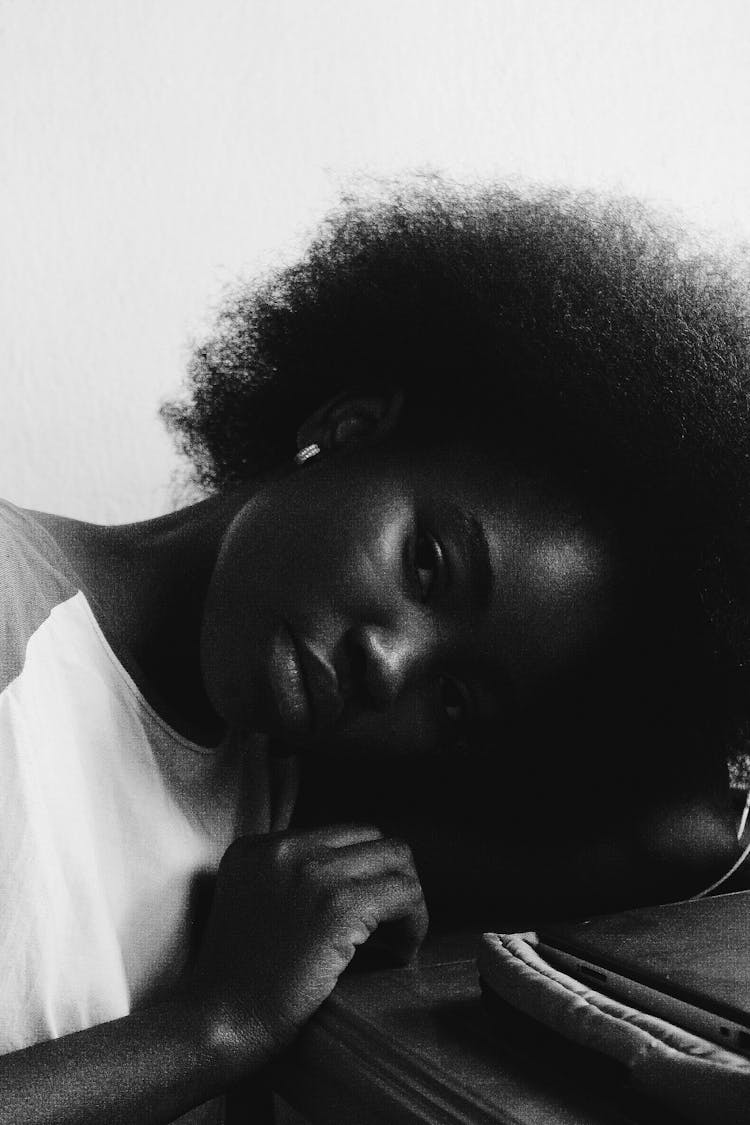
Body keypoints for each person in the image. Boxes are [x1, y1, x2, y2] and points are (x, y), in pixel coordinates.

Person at [1, 179, 749, 1123]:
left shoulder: (280, 820)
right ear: (346, 429)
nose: (392, 667)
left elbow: (673, 836)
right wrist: (218, 1026)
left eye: (457, 698)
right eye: (429, 567)